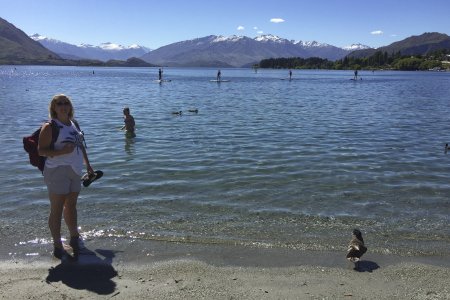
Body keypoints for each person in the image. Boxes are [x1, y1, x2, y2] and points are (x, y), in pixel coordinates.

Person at [38, 94, 94, 260]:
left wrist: (88, 165)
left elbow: (80, 145)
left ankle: (74, 236)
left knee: (71, 205)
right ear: (53, 108)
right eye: (59, 103)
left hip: (75, 170)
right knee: (57, 208)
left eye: (66, 103)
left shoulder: (74, 123)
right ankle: (57, 244)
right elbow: (41, 151)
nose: (63, 105)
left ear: (70, 106)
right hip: (57, 170)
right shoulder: (50, 127)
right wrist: (62, 152)